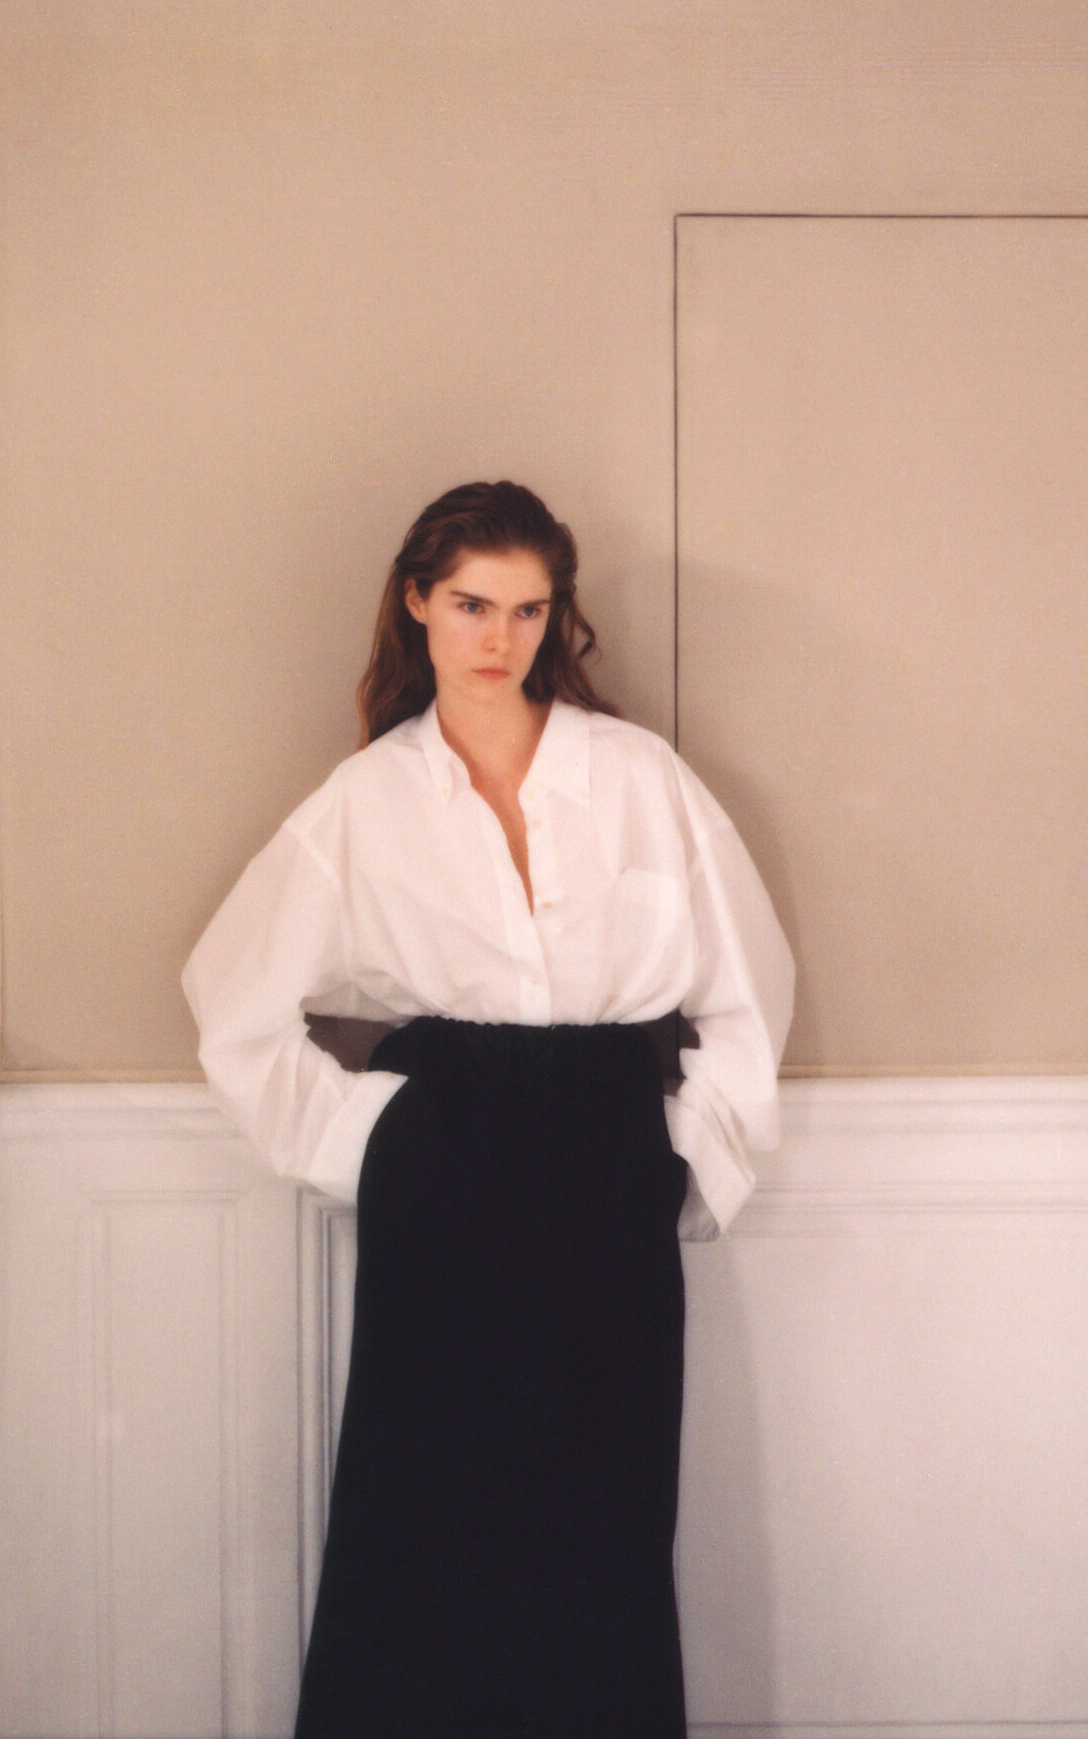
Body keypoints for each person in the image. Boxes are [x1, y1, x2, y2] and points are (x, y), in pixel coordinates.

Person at [183, 480, 794, 1739]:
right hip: (443, 1164)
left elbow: (750, 989)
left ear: (556, 615)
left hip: (611, 1160)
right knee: (428, 1516)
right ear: (417, 603)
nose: (498, 638)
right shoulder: (368, 799)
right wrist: (373, 1145)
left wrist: (682, 1161)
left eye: (526, 609)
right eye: (470, 605)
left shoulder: (639, 779)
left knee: (608, 1518)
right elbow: (231, 1003)